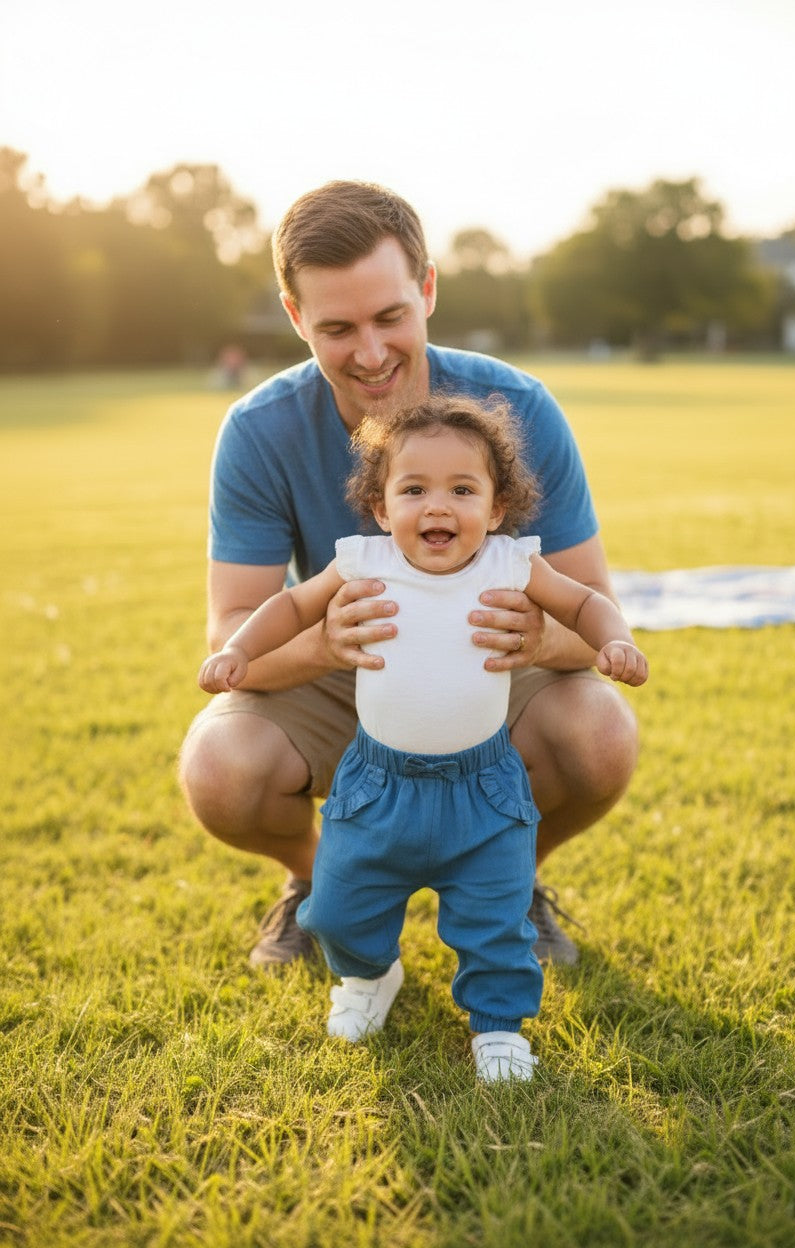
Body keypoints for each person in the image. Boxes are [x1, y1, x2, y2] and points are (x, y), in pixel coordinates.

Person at [179, 179, 641, 972]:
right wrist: (323, 642)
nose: (369, 351)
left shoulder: (519, 408)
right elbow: (233, 633)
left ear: (427, 289)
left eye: (390, 316)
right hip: (343, 670)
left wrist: (540, 636)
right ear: (295, 318)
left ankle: (510, 883)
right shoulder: (259, 429)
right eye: (336, 327)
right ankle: (320, 880)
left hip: (487, 669)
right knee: (220, 770)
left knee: (599, 737)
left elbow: (596, 608)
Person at [198, 396, 648, 1080]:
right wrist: (238, 650)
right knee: (343, 906)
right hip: (377, 785)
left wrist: (612, 640)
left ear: (497, 509)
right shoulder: (362, 562)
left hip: (484, 786)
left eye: (462, 490)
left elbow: (585, 602)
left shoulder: (512, 564)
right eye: (414, 490)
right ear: (381, 508)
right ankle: (368, 976)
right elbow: (287, 604)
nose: (438, 507)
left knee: (496, 919)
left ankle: (498, 1028)